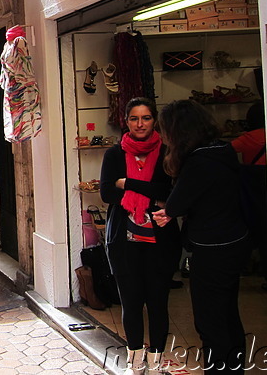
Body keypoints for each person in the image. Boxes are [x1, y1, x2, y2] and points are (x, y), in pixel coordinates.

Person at [153, 100, 250, 373]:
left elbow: (177, 203)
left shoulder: (198, 162)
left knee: (210, 321)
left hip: (212, 247)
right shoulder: (222, 150)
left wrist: (167, 210)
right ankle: (234, 368)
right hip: (235, 240)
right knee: (229, 314)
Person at [99, 98, 180, 375]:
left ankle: (156, 363)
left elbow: (170, 193)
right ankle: (135, 362)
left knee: (158, 302)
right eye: (134, 118)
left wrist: (129, 184)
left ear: (154, 120)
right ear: (127, 121)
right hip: (124, 241)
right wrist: (151, 192)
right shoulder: (114, 155)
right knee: (131, 302)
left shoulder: (169, 152)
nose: (140, 124)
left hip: (161, 241)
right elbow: (108, 194)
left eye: (145, 118)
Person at [231, 100, 267, 289]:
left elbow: (228, 150)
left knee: (259, 229)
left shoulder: (250, 137)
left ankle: (262, 270)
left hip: (253, 187)